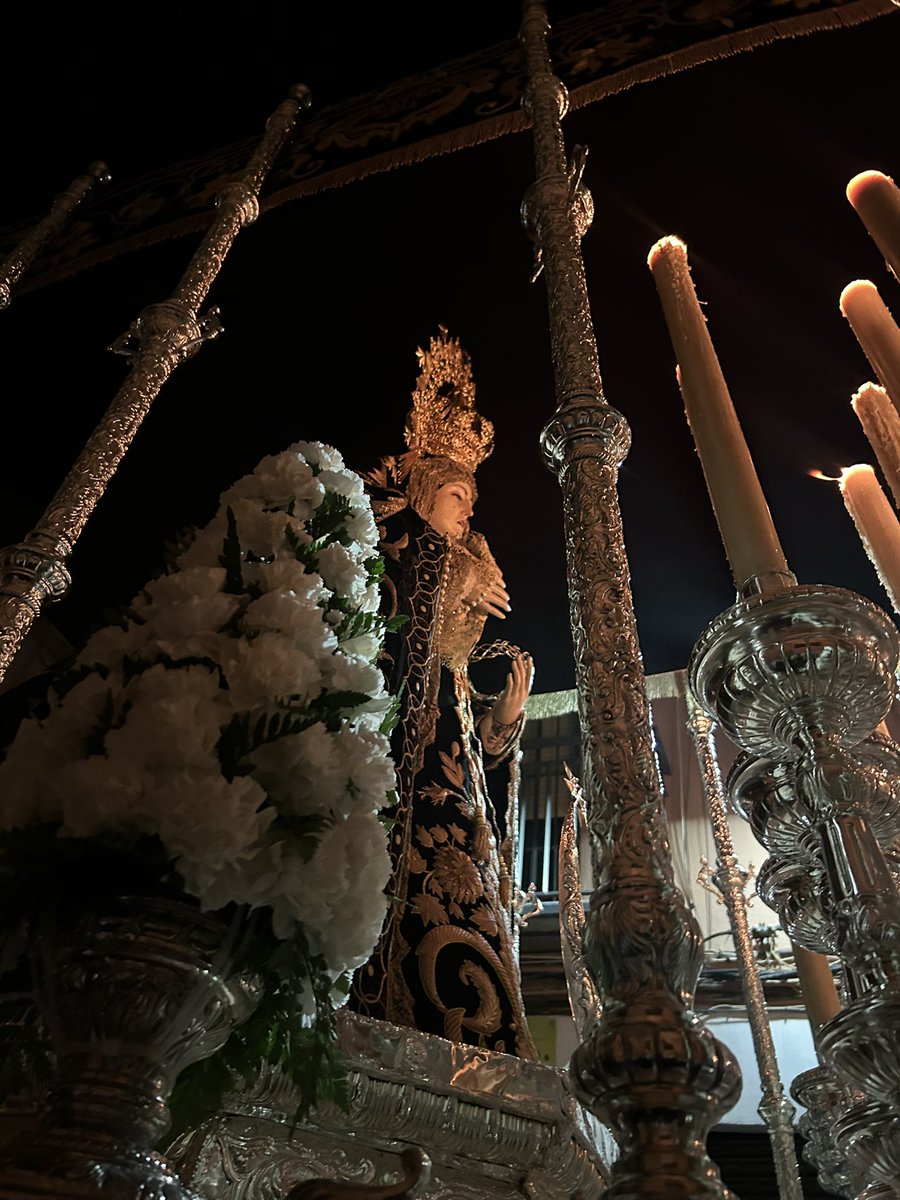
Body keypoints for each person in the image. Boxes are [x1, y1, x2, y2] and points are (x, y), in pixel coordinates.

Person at [349, 328, 536, 1059]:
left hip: (456, 793)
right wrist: (446, 570)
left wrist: (499, 727)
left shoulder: (459, 561)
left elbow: (450, 697)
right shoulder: (387, 555)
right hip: (398, 788)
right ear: (422, 495)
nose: (467, 512)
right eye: (456, 495)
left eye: (470, 499)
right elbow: (391, 648)